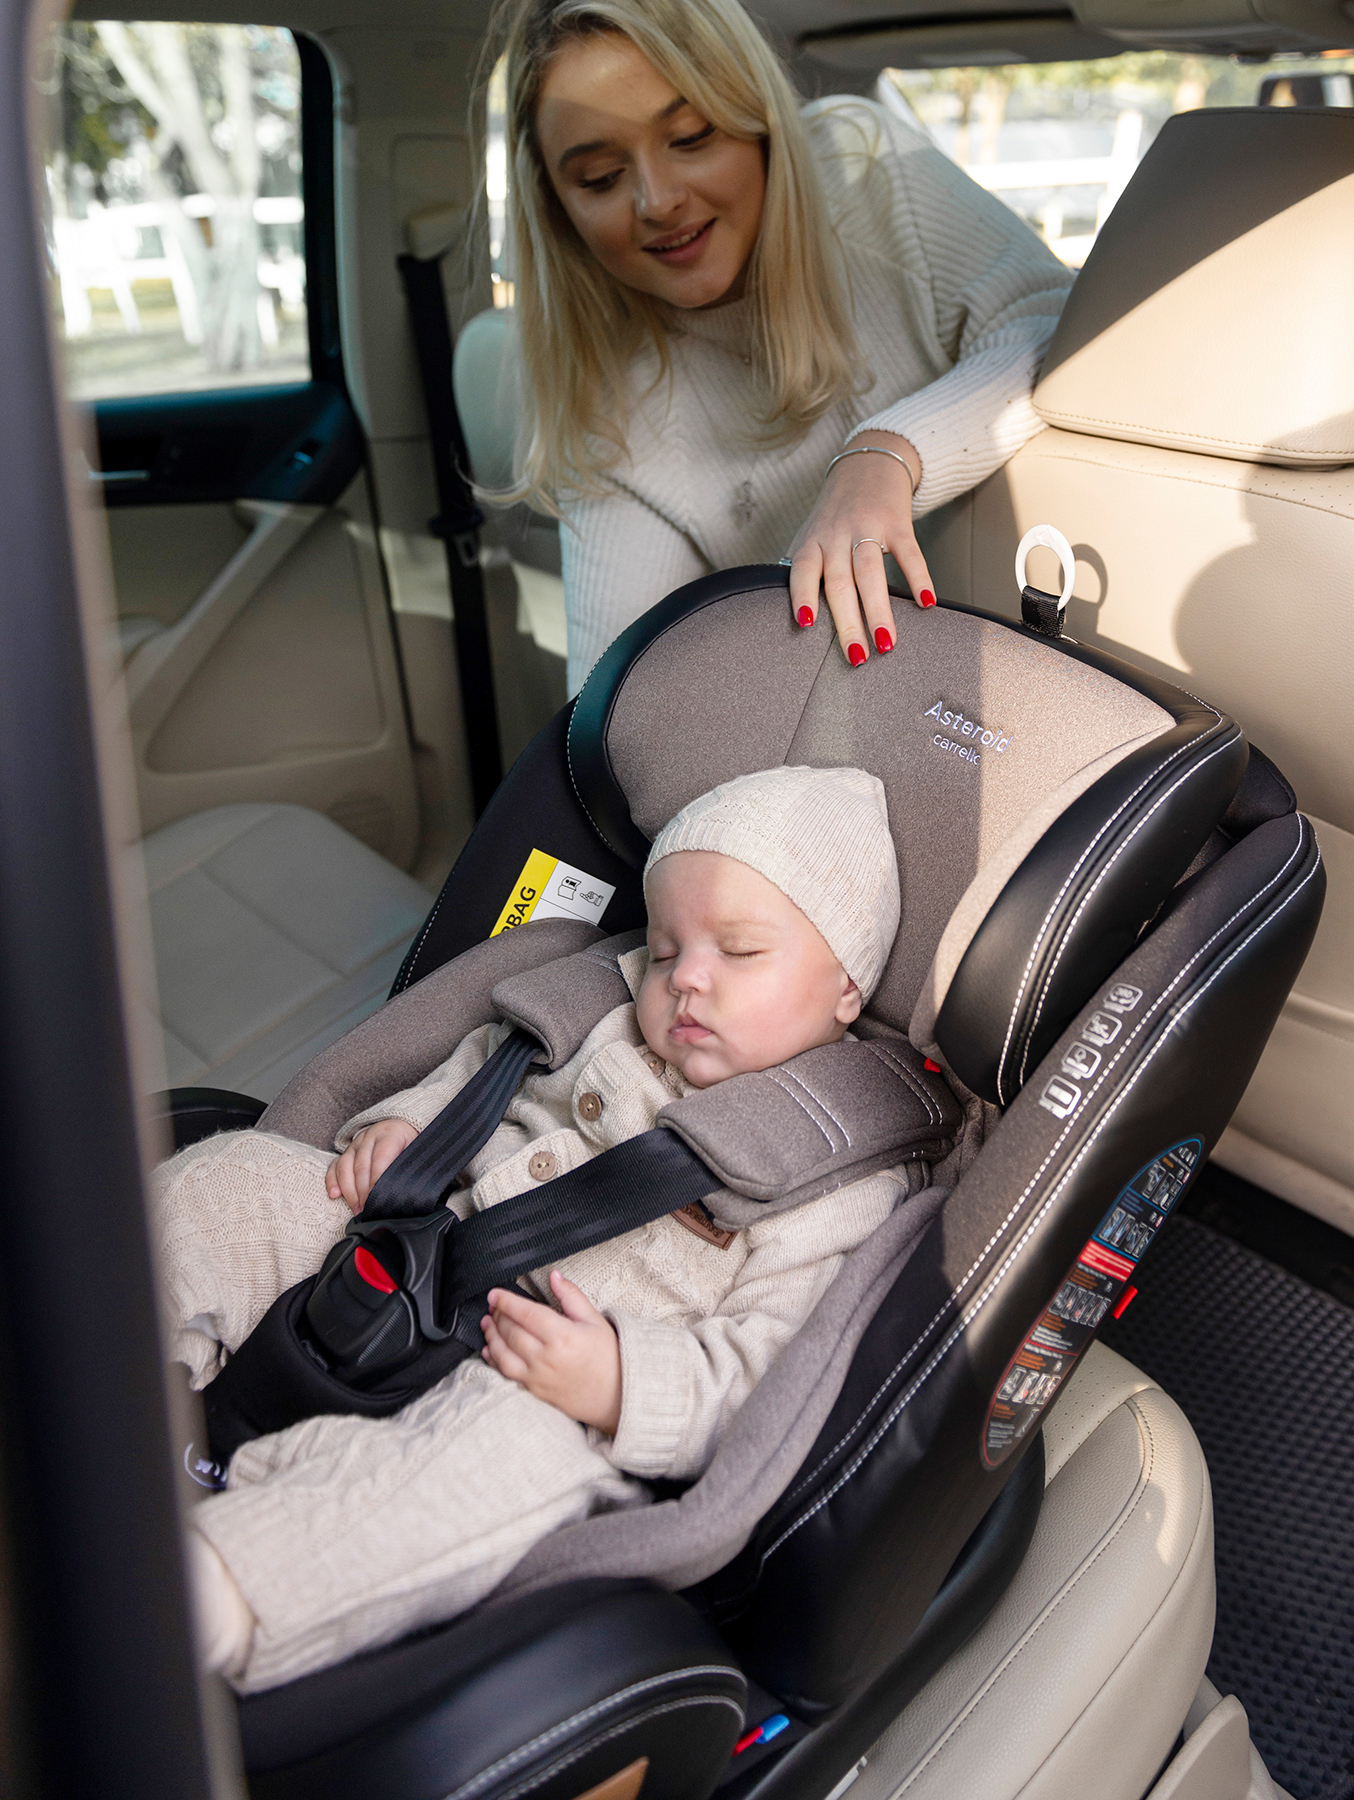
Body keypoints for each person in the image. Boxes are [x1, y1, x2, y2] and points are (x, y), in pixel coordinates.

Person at [154, 765, 932, 1693]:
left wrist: (618, 1383)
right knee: (234, 1182)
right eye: (669, 941)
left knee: (493, 1469)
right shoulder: (602, 1012)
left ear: (846, 988)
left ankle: (220, 1587)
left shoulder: (835, 1176)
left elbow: (772, 1372)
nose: (686, 979)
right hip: (416, 1242)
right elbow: (483, 1065)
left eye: (739, 952)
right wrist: (412, 1129)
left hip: (553, 1394)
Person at [476, 0, 1072, 695]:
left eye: (692, 136)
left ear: (759, 122)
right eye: (601, 178)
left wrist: (882, 455)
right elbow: (614, 710)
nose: (658, 200)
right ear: (557, 208)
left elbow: (1056, 322)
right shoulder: (606, 408)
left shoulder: (869, 170)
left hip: (1045, 671)